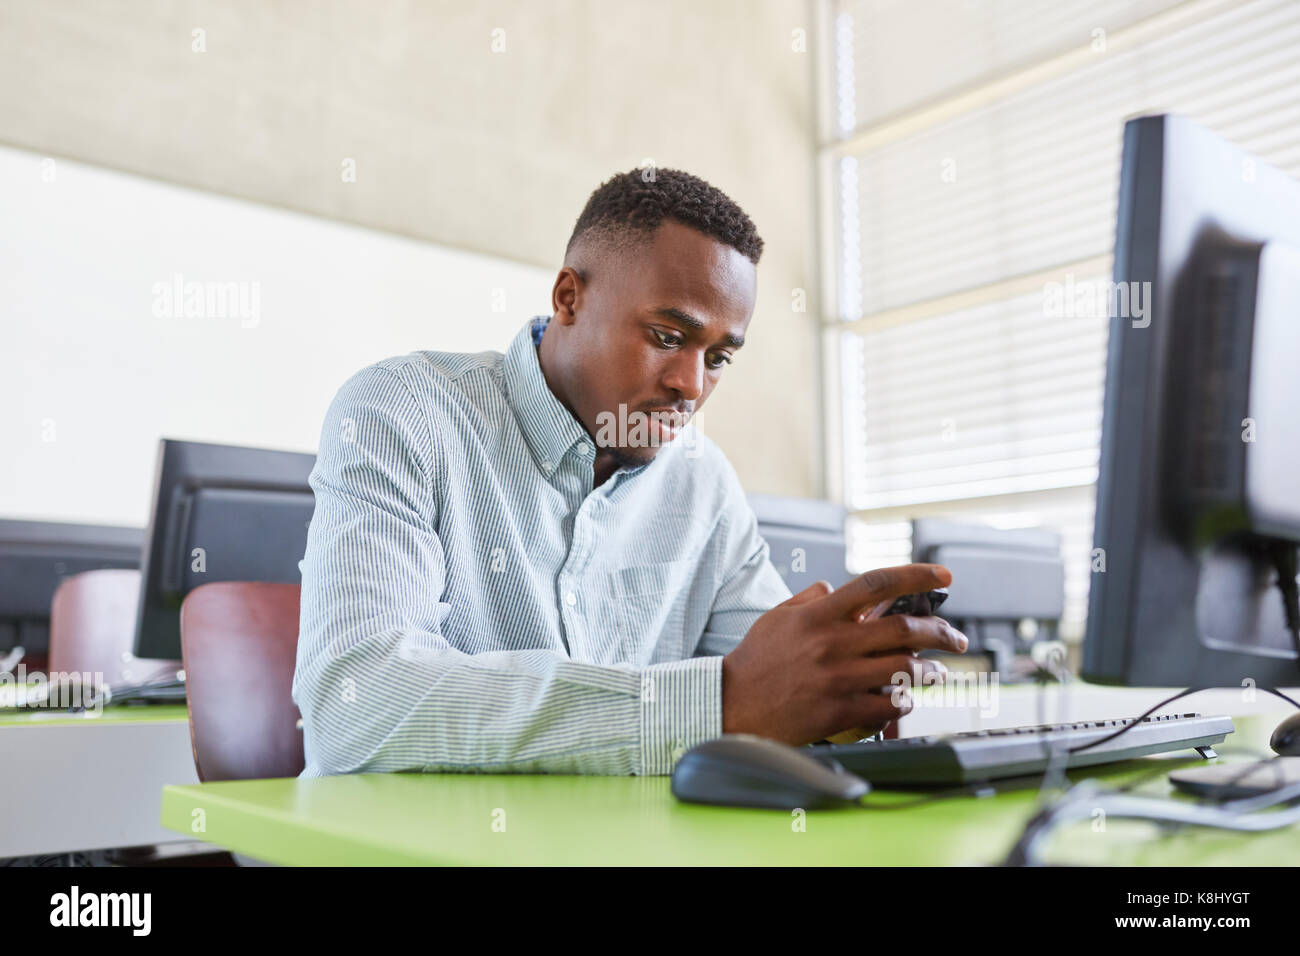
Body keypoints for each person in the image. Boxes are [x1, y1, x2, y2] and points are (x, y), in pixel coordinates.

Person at [293, 167, 967, 777]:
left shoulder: (702, 482)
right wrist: (711, 704)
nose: (690, 385)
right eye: (668, 337)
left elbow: (769, 683)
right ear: (568, 298)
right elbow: (355, 700)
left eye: (719, 358)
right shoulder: (401, 412)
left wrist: (838, 687)